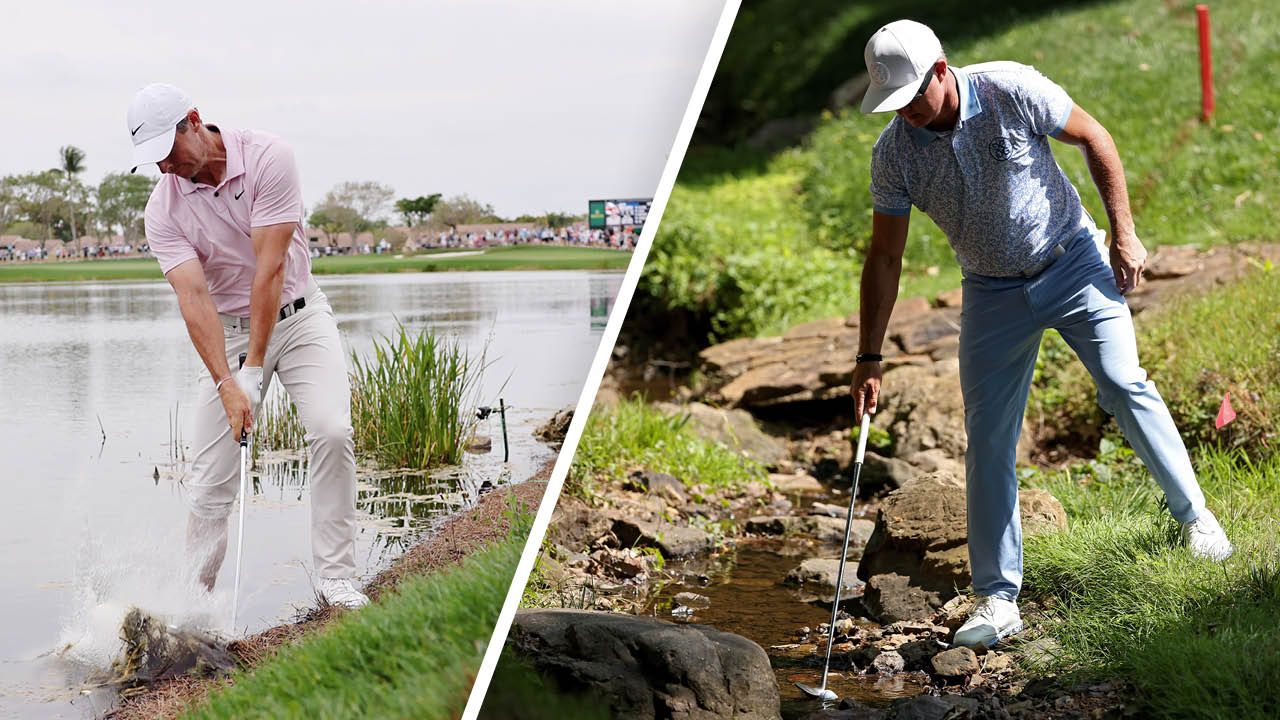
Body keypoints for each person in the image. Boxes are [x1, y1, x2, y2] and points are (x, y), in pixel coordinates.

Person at [851, 20, 1232, 649]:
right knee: (989, 437)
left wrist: (1124, 232)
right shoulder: (894, 153)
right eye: (895, 105)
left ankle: (1196, 520)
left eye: (915, 97)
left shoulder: (1009, 89)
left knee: (1122, 382)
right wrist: (869, 356)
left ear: (942, 69)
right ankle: (998, 599)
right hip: (991, 291)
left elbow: (1094, 137)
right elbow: (885, 257)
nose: (909, 115)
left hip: (1073, 260)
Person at [128, 83, 369, 608]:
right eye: (153, 161)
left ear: (193, 120)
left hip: (301, 315)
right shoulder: (162, 211)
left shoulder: (269, 157)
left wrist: (254, 372)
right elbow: (194, 299)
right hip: (229, 332)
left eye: (167, 152)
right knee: (211, 480)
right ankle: (195, 602)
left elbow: (271, 269)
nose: (163, 167)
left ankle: (336, 579)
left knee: (331, 430)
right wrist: (226, 381)